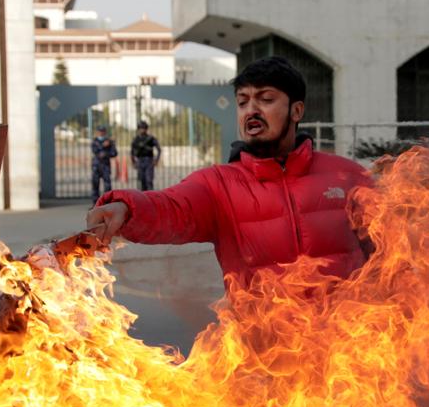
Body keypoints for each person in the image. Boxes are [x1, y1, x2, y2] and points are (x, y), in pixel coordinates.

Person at [86, 56, 371, 287]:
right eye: (243, 101)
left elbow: (390, 251)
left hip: (344, 348)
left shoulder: (347, 177)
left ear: (297, 111)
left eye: (266, 99)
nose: (251, 110)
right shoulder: (217, 184)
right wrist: (127, 208)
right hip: (262, 353)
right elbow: (171, 206)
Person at [130, 121, 162, 192]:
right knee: (142, 181)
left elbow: (159, 150)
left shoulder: (151, 138)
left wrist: (156, 160)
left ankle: (150, 198)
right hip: (140, 161)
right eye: (141, 128)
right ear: (138, 129)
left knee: (149, 181)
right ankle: (143, 199)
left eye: (144, 128)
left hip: (149, 160)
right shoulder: (136, 139)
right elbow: (132, 152)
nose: (142, 129)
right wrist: (133, 162)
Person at [90, 125, 117, 202]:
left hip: (105, 166)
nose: (101, 133)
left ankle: (107, 202)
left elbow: (114, 153)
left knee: (107, 185)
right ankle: (95, 203)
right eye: (100, 131)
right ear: (97, 132)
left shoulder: (110, 142)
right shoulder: (95, 141)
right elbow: (95, 151)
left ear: (105, 132)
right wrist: (103, 146)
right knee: (95, 184)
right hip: (96, 166)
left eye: (103, 131)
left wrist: (106, 154)